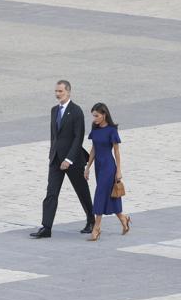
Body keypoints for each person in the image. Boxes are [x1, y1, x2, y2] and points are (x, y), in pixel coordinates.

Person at [30, 80, 95, 239]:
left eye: (60, 91)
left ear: (68, 92)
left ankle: (91, 220)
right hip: (55, 160)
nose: (57, 94)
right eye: (56, 91)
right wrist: (52, 154)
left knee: (82, 191)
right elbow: (54, 136)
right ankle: (46, 227)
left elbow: (78, 137)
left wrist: (69, 159)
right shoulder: (54, 110)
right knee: (51, 193)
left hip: (72, 161)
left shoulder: (76, 111)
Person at [84, 103, 130, 241]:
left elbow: (116, 151)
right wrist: (88, 167)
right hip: (99, 166)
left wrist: (119, 170)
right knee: (110, 196)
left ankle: (96, 228)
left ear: (104, 115)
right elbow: (93, 149)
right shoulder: (95, 129)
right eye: (93, 116)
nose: (94, 118)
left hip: (109, 167)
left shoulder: (111, 130)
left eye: (97, 116)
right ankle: (124, 219)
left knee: (99, 194)